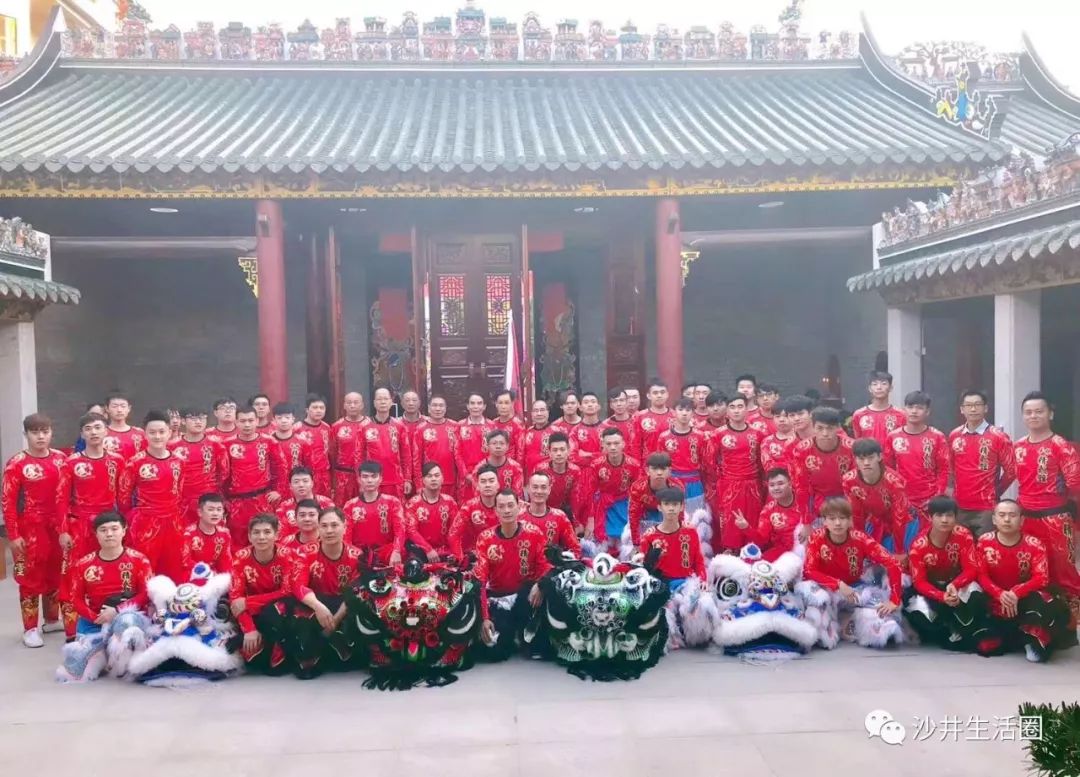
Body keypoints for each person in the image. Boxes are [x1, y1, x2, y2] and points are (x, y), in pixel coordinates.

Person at [1013, 391, 1080, 626]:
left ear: (1050, 414)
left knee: (1064, 572)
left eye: (1039, 411)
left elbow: (1075, 485)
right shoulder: (1018, 446)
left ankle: (1073, 623)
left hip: (1056, 519)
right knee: (1029, 571)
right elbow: (1010, 477)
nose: (1033, 416)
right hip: (1026, 518)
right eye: (1028, 412)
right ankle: (1036, 618)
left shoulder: (1061, 446)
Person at [975, 499, 1073, 662]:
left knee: (1046, 601)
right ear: (994, 519)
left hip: (1024, 600)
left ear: (1021, 520)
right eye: (1002, 515)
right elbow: (981, 575)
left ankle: (1031, 640)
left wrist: (1015, 593)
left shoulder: (1034, 544)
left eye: (1012, 515)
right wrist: (1000, 594)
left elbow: (1041, 578)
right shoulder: (984, 542)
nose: (1007, 520)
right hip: (994, 598)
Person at [802, 497, 904, 648]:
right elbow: (809, 571)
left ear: (850, 520)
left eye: (842, 518)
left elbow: (893, 563)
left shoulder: (860, 539)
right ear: (824, 521)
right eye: (832, 518)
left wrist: (894, 599)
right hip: (825, 588)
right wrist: (837, 584)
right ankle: (836, 626)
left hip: (855, 588)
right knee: (816, 612)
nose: (837, 523)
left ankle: (853, 622)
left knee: (882, 613)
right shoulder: (816, 539)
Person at [2, 413, 67, 646]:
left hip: (57, 526)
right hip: (30, 526)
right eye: (35, 432)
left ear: (51, 433)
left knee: (56, 573)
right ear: (26, 434)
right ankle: (29, 628)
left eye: (45, 431)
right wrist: (13, 534)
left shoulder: (61, 459)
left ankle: (51, 620)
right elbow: (8, 501)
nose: (40, 436)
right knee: (30, 577)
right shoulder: (17, 463)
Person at [58, 412, 123, 638]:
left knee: (110, 572)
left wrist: (123, 526)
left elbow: (123, 497)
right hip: (80, 526)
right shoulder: (72, 462)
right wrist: (64, 530)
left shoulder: (117, 460)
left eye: (97, 427)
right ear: (82, 433)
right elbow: (61, 499)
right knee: (74, 574)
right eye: (88, 428)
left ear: (106, 430)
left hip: (109, 523)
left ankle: (109, 623)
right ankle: (73, 631)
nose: (93, 432)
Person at [904, 495, 986, 652]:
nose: (944, 520)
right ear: (930, 517)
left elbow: (971, 569)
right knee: (920, 614)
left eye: (949, 515)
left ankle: (960, 629)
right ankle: (947, 630)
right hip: (931, 589)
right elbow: (919, 582)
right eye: (939, 515)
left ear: (955, 517)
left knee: (976, 592)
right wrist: (941, 596)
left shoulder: (963, 535)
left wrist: (954, 585)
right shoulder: (918, 545)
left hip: (956, 585)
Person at [476, 489, 551, 658]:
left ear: (519, 507)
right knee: (495, 653)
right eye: (501, 506)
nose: (507, 510)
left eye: (511, 505)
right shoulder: (485, 538)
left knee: (538, 648)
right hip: (499, 598)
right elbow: (480, 581)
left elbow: (546, 566)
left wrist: (540, 584)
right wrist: (485, 618)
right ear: (495, 510)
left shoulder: (534, 533)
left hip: (527, 597)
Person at [289, 507, 362, 678]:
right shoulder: (305, 552)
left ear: (344, 527)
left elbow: (354, 591)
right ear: (318, 528)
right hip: (316, 603)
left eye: (334, 525)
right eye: (324, 526)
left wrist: (335, 620)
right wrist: (318, 607)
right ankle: (311, 656)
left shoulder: (356, 555)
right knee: (297, 612)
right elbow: (298, 585)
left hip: (344, 605)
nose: (329, 531)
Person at [118, 409, 185, 581]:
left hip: (173, 523)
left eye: (162, 432)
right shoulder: (135, 463)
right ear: (145, 435)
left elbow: (179, 491)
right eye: (152, 432)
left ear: (169, 433)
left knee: (174, 569)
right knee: (144, 569)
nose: (157, 436)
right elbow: (123, 498)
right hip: (146, 523)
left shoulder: (177, 461)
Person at [229, 514, 298, 675]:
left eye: (267, 532)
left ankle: (281, 647)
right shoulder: (240, 558)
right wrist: (249, 630)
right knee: (253, 660)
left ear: (276, 535)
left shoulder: (288, 555)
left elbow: (287, 591)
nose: (261, 537)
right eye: (256, 533)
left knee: (279, 607)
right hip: (253, 615)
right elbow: (235, 598)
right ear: (249, 536)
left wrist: (248, 601)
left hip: (279, 612)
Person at [66, 512, 153, 637]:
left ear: (124, 531)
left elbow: (145, 594)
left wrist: (118, 611)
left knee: (126, 640)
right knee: (86, 655)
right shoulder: (83, 564)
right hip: (95, 619)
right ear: (96, 534)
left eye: (114, 529)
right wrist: (96, 617)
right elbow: (75, 599)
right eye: (103, 530)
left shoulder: (139, 560)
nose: (109, 534)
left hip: (129, 616)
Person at [948, 390, 1016, 539]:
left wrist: (996, 491)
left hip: (986, 508)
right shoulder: (954, 435)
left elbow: (1011, 470)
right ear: (962, 409)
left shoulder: (998, 436)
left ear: (986, 408)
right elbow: (952, 467)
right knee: (961, 550)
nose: (973, 409)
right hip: (959, 506)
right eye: (969, 405)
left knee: (985, 549)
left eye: (978, 405)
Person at [788, 406, 856, 542]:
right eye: (820, 428)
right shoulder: (802, 450)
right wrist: (806, 523)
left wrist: (852, 517)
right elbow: (801, 488)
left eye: (830, 428)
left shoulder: (850, 447)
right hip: (817, 503)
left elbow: (856, 486)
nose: (825, 433)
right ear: (813, 427)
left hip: (847, 501)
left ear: (838, 427)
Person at [709, 394, 765, 554]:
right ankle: (730, 556)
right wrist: (723, 480)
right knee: (730, 524)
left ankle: (753, 556)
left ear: (747, 409)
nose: (736, 411)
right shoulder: (718, 434)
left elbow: (762, 463)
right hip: (729, 485)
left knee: (752, 522)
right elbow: (710, 462)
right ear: (726, 411)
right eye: (732, 407)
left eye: (740, 406)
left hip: (753, 485)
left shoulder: (757, 434)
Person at [222, 406, 285, 547]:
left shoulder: (269, 442)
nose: (247, 424)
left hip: (262, 498)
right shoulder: (227, 444)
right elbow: (222, 474)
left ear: (257, 421)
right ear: (236, 422)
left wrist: (278, 490)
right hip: (236, 501)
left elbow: (281, 467)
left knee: (264, 537)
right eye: (243, 421)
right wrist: (223, 499)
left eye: (251, 420)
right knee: (237, 540)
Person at [884, 391, 950, 523]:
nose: (914, 411)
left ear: (927, 412)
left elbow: (944, 470)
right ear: (904, 409)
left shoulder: (937, 437)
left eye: (919, 408)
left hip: (929, 501)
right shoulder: (893, 437)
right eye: (910, 407)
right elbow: (887, 469)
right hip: (901, 499)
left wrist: (935, 499)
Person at [843, 439, 917, 554]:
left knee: (903, 559)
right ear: (855, 459)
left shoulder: (894, 481)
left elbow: (899, 517)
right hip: (876, 521)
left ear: (880, 457)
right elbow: (857, 514)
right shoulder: (849, 481)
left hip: (905, 523)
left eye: (871, 457)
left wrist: (900, 551)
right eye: (861, 459)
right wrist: (860, 543)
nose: (866, 463)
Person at [168, 407, 230, 526]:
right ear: (183, 421)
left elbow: (224, 472)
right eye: (193, 418)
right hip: (182, 501)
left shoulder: (216, 445)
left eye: (202, 418)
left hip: (209, 500)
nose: (198, 422)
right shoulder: (172, 446)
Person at [586, 428, 642, 553]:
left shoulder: (634, 465)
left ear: (623, 444)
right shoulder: (596, 465)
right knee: (603, 544)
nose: (612, 447)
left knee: (625, 542)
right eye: (608, 444)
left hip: (626, 505)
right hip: (604, 506)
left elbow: (638, 493)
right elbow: (590, 492)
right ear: (603, 445)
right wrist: (590, 520)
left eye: (616, 443)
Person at [342, 460, 406, 565]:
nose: (369, 480)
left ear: (380, 479)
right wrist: (352, 554)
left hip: (387, 553)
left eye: (374, 476)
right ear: (359, 479)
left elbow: (400, 529)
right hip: (360, 554)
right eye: (365, 477)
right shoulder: (350, 505)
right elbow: (346, 537)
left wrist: (396, 551)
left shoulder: (393, 502)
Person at [639, 487, 707, 588]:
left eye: (675, 504)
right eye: (666, 504)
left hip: (686, 584)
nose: (671, 508)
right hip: (660, 586)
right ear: (659, 507)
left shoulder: (690, 532)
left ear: (681, 507)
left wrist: (702, 581)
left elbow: (698, 561)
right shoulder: (649, 536)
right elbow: (642, 567)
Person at [656, 398, 712, 516]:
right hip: (672, 482)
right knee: (672, 518)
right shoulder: (664, 437)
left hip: (694, 482)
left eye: (688, 410)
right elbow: (660, 465)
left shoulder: (700, 436)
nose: (684, 413)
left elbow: (706, 464)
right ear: (674, 412)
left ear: (693, 413)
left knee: (696, 519)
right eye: (680, 409)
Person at [736, 468, 803, 561]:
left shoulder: (805, 500)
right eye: (772, 485)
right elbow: (761, 541)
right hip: (782, 553)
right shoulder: (768, 510)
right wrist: (746, 527)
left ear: (790, 484)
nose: (776, 488)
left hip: (807, 548)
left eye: (780, 483)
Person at [359, 387, 414, 499]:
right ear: (374, 403)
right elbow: (358, 456)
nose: (383, 402)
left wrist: (407, 479)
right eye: (379, 399)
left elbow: (406, 455)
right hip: (372, 480)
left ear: (391, 402)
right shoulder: (364, 427)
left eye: (385, 399)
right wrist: (360, 481)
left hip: (395, 479)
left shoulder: (399, 426)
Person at [534, 433, 588, 531]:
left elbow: (576, 499)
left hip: (566, 513)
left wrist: (576, 522)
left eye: (562, 449)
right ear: (549, 452)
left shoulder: (575, 471)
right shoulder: (540, 469)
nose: (559, 453)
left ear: (568, 451)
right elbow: (535, 496)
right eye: (555, 450)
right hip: (544, 511)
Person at [628, 452, 682, 548]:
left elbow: (679, 516)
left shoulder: (677, 487)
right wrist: (636, 543)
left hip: (669, 514)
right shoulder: (638, 488)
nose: (659, 472)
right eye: (655, 469)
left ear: (670, 471)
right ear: (647, 470)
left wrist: (678, 538)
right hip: (646, 516)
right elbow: (634, 516)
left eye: (663, 469)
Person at [405, 462, 456, 560]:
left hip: (444, 550)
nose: (433, 479)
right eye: (429, 476)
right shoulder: (413, 503)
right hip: (419, 550)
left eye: (437, 475)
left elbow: (454, 530)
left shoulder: (450, 502)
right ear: (423, 480)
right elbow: (411, 531)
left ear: (442, 479)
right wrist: (428, 549)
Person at [448, 465, 501, 558]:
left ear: (498, 484)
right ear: (478, 485)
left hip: (502, 553)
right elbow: (453, 534)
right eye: (483, 481)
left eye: (491, 481)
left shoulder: (508, 505)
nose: (487, 485)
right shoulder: (469, 507)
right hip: (476, 555)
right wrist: (460, 557)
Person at [522, 471, 581, 555]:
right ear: (528, 489)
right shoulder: (518, 516)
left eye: (543, 487)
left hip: (551, 566)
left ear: (549, 490)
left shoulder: (559, 517)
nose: (539, 491)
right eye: (535, 487)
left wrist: (562, 561)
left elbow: (576, 548)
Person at [413, 394, 460, 498]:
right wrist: (419, 484)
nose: (438, 409)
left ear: (446, 408)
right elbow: (416, 459)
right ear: (429, 408)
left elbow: (460, 456)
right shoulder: (421, 429)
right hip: (429, 480)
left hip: (450, 480)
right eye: (434, 405)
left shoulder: (455, 426)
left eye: (441, 405)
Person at [180, 493, 233, 576]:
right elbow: (185, 562)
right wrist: (208, 573)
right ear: (200, 512)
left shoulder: (224, 533)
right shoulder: (188, 533)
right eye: (211, 509)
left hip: (214, 575)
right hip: (192, 574)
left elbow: (226, 562)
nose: (215, 513)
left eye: (219, 510)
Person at [851, 371, 908, 448]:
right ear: (869, 388)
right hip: (868, 458)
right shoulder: (859, 415)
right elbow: (858, 441)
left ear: (891, 388)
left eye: (884, 383)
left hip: (892, 459)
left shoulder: (901, 415)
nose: (879, 387)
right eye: (875, 384)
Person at [464, 429, 523, 501]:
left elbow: (517, 495)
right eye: (494, 443)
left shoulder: (516, 468)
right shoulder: (479, 468)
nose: (498, 446)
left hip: (508, 506)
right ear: (487, 446)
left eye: (501, 443)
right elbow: (477, 495)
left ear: (507, 446)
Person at [330, 391, 366, 504]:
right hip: (343, 476)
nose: (352, 405)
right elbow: (332, 453)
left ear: (362, 405)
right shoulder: (336, 426)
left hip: (365, 476)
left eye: (356, 402)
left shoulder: (370, 424)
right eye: (349, 403)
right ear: (344, 405)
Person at [270, 403, 314, 494]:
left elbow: (309, 468)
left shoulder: (303, 442)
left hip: (297, 489)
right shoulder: (268, 442)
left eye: (287, 417)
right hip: (274, 491)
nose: (284, 421)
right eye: (279, 418)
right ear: (273, 420)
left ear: (293, 419)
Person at [294, 394, 332, 498]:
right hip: (305, 476)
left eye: (321, 408)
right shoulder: (297, 428)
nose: (318, 410)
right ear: (307, 410)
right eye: (315, 407)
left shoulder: (327, 427)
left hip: (324, 474)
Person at [516, 399, 558, 479]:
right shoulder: (527, 432)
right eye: (536, 411)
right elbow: (521, 456)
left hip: (550, 477)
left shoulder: (556, 432)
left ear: (548, 412)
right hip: (530, 478)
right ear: (531, 414)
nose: (539, 413)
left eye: (542, 410)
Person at [633, 378, 673, 461]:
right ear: (648, 395)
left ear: (667, 394)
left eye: (662, 392)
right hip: (647, 465)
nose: (659, 395)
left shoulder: (676, 416)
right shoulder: (639, 417)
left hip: (671, 466)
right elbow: (635, 446)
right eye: (655, 393)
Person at [456, 393, 493, 477]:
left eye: (479, 403)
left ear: (484, 406)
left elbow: (494, 452)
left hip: (487, 473)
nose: (475, 406)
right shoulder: (460, 426)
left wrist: (488, 471)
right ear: (467, 406)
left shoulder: (492, 426)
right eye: (472, 403)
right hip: (465, 475)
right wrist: (465, 474)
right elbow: (457, 453)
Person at [102, 393, 147, 460]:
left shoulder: (139, 433)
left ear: (129, 408)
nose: (119, 410)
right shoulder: (102, 433)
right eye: (115, 406)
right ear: (107, 408)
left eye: (123, 406)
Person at [760, 397, 798, 474]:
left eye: (785, 416)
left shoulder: (802, 440)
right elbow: (768, 467)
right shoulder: (767, 442)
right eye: (777, 416)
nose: (781, 420)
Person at [568, 391, 604, 466]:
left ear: (598, 407)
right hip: (583, 473)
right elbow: (572, 457)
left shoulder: (607, 429)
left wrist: (588, 454)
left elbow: (610, 455)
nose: (590, 405)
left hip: (603, 471)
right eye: (586, 402)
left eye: (593, 402)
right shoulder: (575, 431)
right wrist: (598, 456)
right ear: (580, 407)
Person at [603, 387, 638, 453]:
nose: (619, 404)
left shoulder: (637, 422)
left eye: (621, 400)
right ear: (611, 405)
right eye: (615, 401)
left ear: (627, 402)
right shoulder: (605, 425)